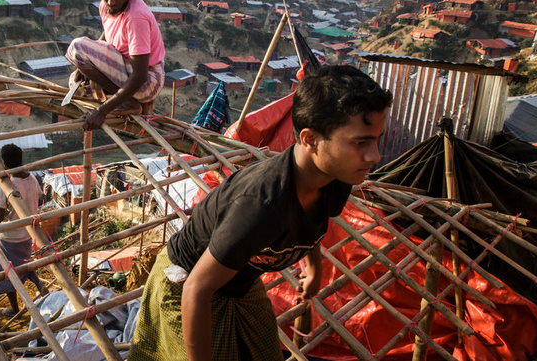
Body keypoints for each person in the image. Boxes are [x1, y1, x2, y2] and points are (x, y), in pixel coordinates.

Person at [128, 65, 393, 361]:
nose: (374, 156)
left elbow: (312, 223)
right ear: (310, 139)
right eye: (360, 142)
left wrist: (314, 268)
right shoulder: (261, 205)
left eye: (376, 139)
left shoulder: (337, 178)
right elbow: (197, 289)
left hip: (241, 282)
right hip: (186, 284)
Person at [65, 0, 165, 131]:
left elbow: (140, 75)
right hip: (125, 68)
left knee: (77, 47)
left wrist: (102, 111)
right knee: (75, 81)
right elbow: (108, 35)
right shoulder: (107, 6)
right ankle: (125, 100)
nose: (111, 1)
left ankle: (128, 103)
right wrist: (86, 67)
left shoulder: (135, 17)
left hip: (147, 80)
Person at [0, 144, 48, 316]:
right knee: (25, 263)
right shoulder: (32, 179)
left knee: (7, 271)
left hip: (9, 237)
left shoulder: (5, 186)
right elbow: (37, 197)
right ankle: (39, 285)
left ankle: (14, 308)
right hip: (28, 234)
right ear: (21, 159)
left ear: (4, 163)